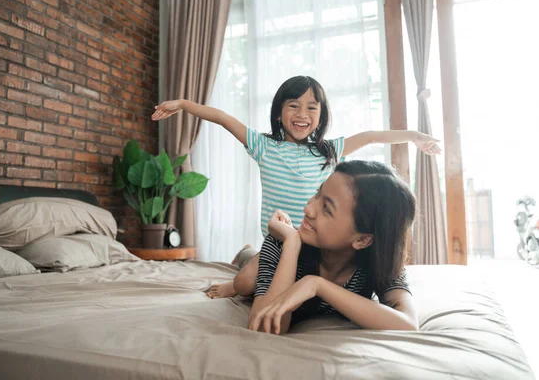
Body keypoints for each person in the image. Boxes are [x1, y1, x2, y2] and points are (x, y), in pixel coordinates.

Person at [152, 76, 438, 298]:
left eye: (311, 107)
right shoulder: (264, 146)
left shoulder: (328, 151)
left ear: (320, 115)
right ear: (279, 113)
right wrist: (183, 105)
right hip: (279, 241)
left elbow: (371, 136)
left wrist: (414, 136)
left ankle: (253, 258)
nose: (302, 113)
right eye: (293, 105)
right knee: (243, 284)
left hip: (317, 243)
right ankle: (247, 255)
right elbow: (224, 118)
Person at [247, 160, 417, 334]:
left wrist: (317, 285)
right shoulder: (281, 242)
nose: (308, 209)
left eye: (326, 209)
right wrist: (291, 243)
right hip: (284, 249)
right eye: (317, 194)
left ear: (363, 240)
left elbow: (409, 324)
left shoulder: (379, 261)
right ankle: (247, 254)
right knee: (243, 283)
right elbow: (263, 327)